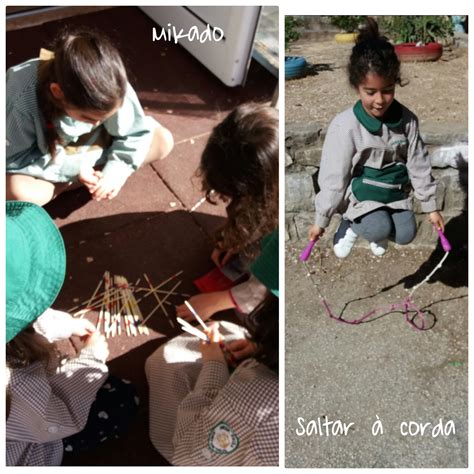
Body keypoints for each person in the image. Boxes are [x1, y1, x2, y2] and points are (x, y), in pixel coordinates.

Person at [6, 201, 137, 466]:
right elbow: (58, 418)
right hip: (31, 444)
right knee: (122, 398)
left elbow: (20, 317)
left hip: (27, 413)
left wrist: (63, 325)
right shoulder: (14, 385)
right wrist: (91, 358)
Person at [308, 18, 444, 258]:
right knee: (377, 227)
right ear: (357, 86)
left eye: (388, 90)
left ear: (395, 84)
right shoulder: (345, 125)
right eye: (370, 92)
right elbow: (333, 175)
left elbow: (418, 164)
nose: (380, 100)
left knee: (406, 234)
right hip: (362, 193)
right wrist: (322, 219)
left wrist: (431, 207)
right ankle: (351, 223)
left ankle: (377, 230)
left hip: (392, 192)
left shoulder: (407, 121)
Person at [6, 27, 174, 206]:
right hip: (41, 157)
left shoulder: (110, 82)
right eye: (88, 118)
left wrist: (115, 173)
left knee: (163, 141)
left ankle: (74, 181)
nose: (97, 123)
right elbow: (12, 160)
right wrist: (77, 169)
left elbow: (136, 132)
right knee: (20, 193)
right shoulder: (20, 100)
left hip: (81, 151)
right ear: (57, 92)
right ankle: (72, 181)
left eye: (105, 117)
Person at [145, 291, 279, 465]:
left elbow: (188, 452)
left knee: (167, 361)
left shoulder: (259, 401)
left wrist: (214, 363)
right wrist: (260, 349)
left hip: (194, 455)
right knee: (226, 333)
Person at [176, 103, 278, 323]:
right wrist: (236, 239)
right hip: (269, 216)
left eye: (237, 196)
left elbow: (272, 284)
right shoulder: (265, 178)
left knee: (255, 319)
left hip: (282, 270)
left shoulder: (283, 227)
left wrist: (217, 301)